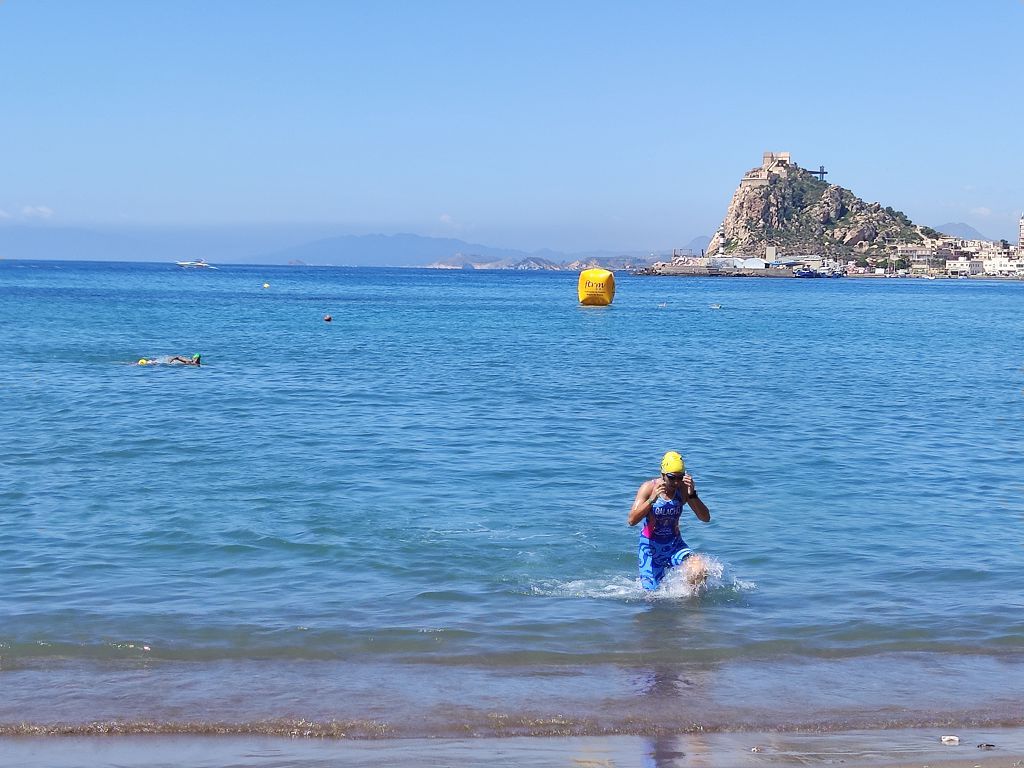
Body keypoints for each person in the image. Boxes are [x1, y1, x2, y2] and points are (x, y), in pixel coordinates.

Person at [628, 451, 711, 591]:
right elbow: (631, 520)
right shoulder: (648, 488)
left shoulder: (684, 489)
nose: (676, 482)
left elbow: (705, 518)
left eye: (680, 477)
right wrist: (651, 500)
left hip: (675, 545)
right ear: (663, 474)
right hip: (651, 550)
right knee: (653, 598)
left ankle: (689, 606)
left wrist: (692, 494)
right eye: (672, 478)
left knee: (699, 569)